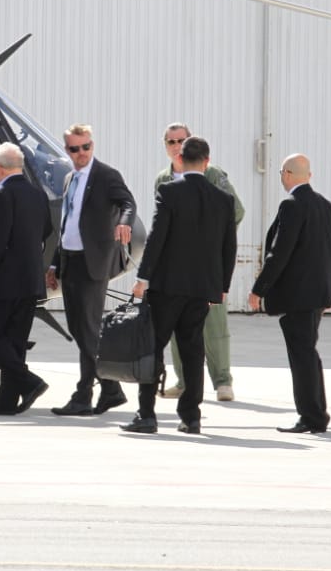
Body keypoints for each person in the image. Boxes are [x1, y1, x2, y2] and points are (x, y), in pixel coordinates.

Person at [127, 136, 237, 434]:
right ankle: (191, 416)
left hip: (167, 286)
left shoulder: (169, 192)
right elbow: (229, 248)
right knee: (192, 351)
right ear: (207, 161)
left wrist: (142, 278)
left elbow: (157, 237)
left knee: (153, 347)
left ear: (180, 160)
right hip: (202, 289)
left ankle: (147, 414)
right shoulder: (223, 199)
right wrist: (221, 287)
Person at [46, 124, 137, 417]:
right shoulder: (70, 178)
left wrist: (123, 222)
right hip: (70, 261)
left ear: (92, 146)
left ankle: (85, 395)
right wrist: (54, 263)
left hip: (92, 262)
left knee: (88, 329)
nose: (81, 153)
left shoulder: (106, 176)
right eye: (75, 149)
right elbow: (67, 225)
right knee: (79, 328)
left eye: (86, 147)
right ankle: (109, 391)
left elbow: (127, 202)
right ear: (67, 150)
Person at [248, 153, 331, 434]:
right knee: (308, 352)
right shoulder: (325, 206)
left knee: (302, 356)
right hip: (317, 294)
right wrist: (330, 293)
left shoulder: (291, 206)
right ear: (308, 176)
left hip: (298, 296)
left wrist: (258, 290)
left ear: (286, 175)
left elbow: (279, 253)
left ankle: (311, 415)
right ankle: (316, 413)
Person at [154, 122, 244, 402]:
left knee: (214, 326)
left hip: (207, 265)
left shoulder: (213, 174)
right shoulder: (164, 180)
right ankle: (183, 382)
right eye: (171, 142)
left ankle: (222, 381)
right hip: (176, 269)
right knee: (177, 330)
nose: (177, 146)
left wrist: (212, 242)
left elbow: (235, 211)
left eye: (182, 140)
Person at [0, 143, 53, 415]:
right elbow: (46, 230)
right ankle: (6, 400)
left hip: (4, 281)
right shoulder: (37, 194)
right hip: (31, 280)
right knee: (14, 341)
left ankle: (30, 382)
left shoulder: (1, 195)